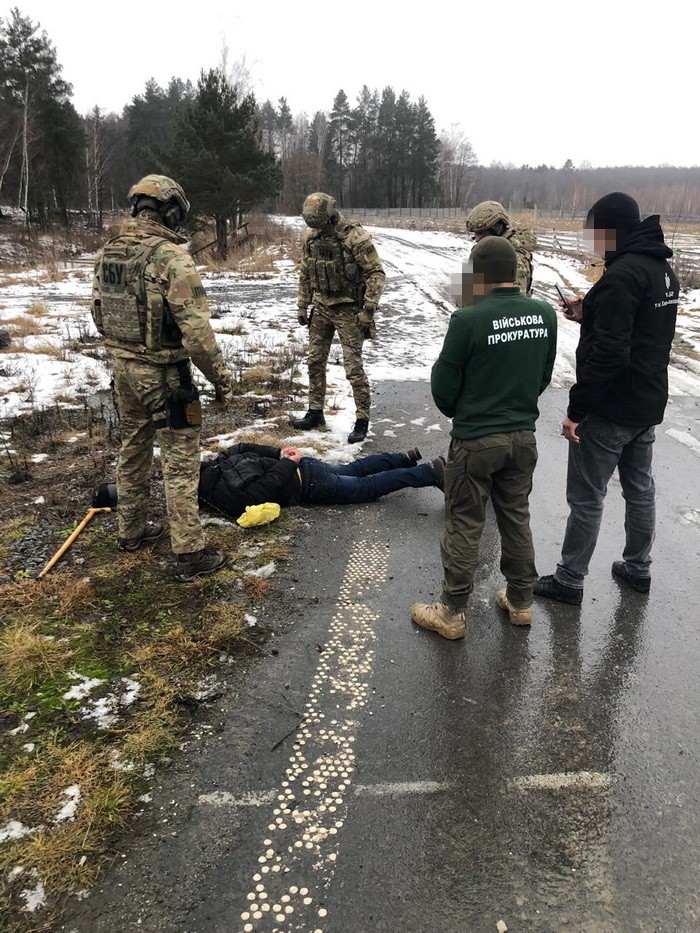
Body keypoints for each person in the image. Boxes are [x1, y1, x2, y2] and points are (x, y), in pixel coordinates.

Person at [534, 192, 679, 604]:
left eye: (596, 231)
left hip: (611, 408)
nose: (593, 241)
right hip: (647, 402)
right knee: (640, 489)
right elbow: (639, 327)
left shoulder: (622, 276)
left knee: (586, 497)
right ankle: (638, 568)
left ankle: (569, 580)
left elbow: (611, 354)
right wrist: (589, 310)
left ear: (613, 230)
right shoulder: (661, 270)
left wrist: (576, 411)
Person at [411, 236, 557, 639]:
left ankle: (451, 612)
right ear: (513, 271)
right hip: (523, 438)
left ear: (477, 274)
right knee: (516, 517)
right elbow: (543, 375)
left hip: (476, 441)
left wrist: (470, 408)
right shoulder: (544, 314)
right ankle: (521, 602)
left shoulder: (467, 319)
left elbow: (444, 388)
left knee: (465, 522)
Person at [92, 174, 233, 583]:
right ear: (170, 212)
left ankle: (131, 531)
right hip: (165, 376)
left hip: (124, 370)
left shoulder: (109, 253)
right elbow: (198, 336)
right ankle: (190, 553)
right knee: (181, 462)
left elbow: (98, 312)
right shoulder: (171, 258)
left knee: (133, 448)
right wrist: (221, 379)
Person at [293, 192, 386, 444]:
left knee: (353, 368)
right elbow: (305, 272)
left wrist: (368, 310)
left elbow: (376, 273)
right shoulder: (311, 237)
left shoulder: (355, 237)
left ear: (330, 216)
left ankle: (362, 419)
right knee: (314, 361)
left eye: (319, 224)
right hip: (321, 307)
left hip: (348, 310)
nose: (317, 229)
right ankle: (315, 412)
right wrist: (302, 304)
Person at [198, 444, 445, 517]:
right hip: (306, 466)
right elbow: (242, 447)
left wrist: (285, 461)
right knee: (354, 469)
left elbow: (263, 491)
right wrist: (280, 454)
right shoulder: (218, 462)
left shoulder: (220, 495)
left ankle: (429, 472)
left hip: (308, 483)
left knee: (367, 488)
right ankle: (404, 458)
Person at [465, 200, 536, 295]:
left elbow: (511, 301)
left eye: (481, 233)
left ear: (497, 229)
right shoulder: (491, 251)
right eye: (475, 234)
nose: (476, 239)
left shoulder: (511, 259)